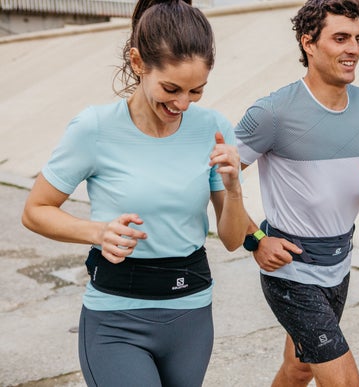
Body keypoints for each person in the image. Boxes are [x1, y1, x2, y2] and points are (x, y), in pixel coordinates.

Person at [21, 1, 248, 386]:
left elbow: (231, 240)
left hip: (191, 315)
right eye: (171, 89)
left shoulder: (212, 128)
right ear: (139, 62)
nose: (182, 104)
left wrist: (234, 188)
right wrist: (97, 232)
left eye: (196, 91)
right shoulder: (94, 128)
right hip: (116, 319)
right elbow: (35, 210)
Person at [235, 0, 359, 385]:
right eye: (340, 38)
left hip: (339, 262)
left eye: (357, 38)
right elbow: (216, 179)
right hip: (291, 270)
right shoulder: (273, 112)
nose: (353, 48)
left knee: (299, 367)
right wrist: (255, 240)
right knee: (344, 382)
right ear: (309, 43)